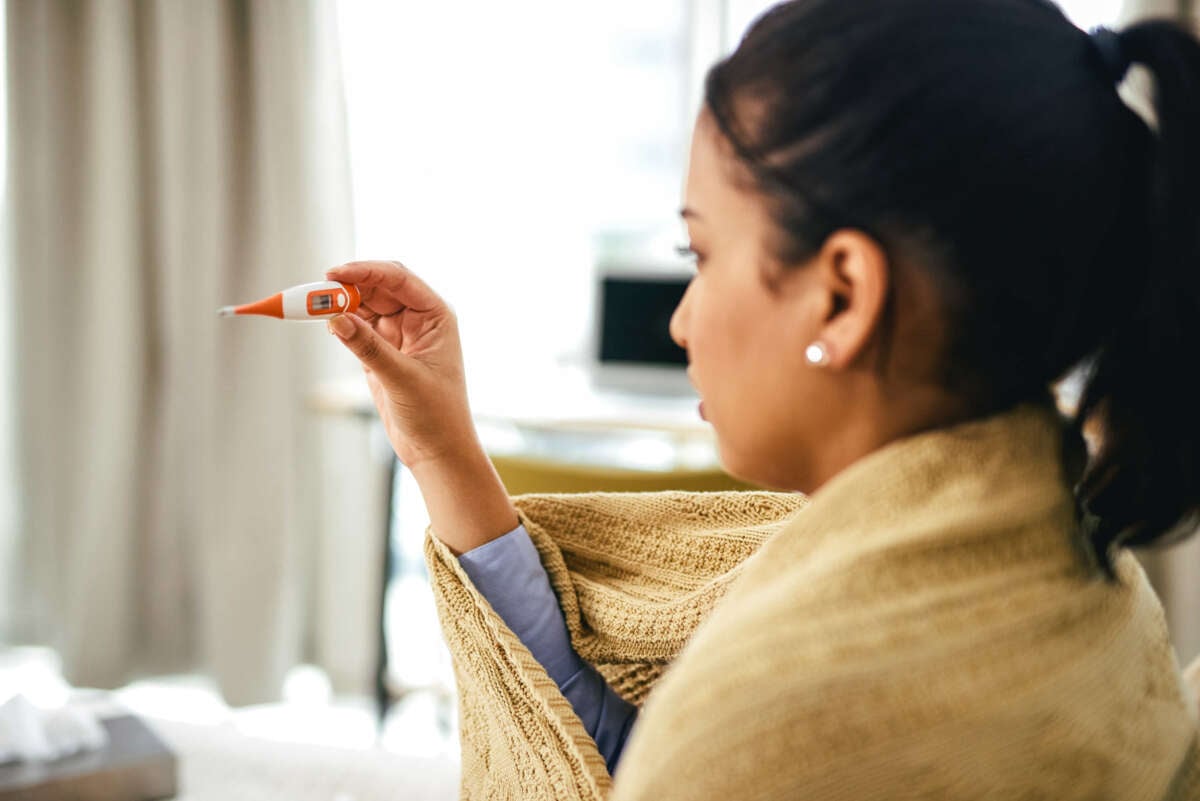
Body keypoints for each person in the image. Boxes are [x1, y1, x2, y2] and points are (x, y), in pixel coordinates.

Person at [326, 0, 1200, 797]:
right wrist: (444, 452)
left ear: (842, 295)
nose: (678, 323)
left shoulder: (786, 726)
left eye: (699, 257)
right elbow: (614, 755)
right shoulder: (1094, 582)